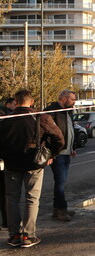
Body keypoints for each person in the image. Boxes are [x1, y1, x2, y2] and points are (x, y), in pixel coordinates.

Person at [0, 89, 64, 247]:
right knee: (32, 199)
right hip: (34, 163)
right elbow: (59, 138)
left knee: (12, 199)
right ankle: (28, 236)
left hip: (11, 164)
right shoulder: (41, 118)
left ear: (15, 102)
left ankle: (14, 235)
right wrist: (50, 155)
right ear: (32, 102)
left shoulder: (6, 119)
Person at [44, 89, 77, 221]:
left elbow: (70, 130)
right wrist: (52, 152)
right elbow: (47, 134)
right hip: (58, 154)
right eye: (72, 99)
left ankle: (57, 209)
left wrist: (72, 147)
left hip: (66, 152)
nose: (74, 102)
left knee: (61, 182)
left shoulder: (68, 112)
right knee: (60, 182)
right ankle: (61, 211)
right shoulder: (52, 112)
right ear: (63, 99)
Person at [0, 97, 16, 229]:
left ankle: (6, 221)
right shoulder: (6, 119)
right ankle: (6, 221)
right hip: (3, 161)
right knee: (5, 193)